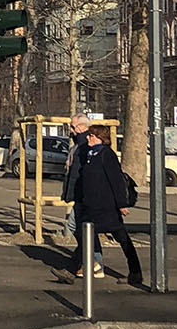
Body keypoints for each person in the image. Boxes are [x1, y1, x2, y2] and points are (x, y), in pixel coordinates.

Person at [53, 125, 144, 287]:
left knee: (121, 238)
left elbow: (116, 180)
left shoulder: (106, 155)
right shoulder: (90, 154)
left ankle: (135, 272)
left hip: (106, 206)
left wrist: (121, 204)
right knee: (86, 236)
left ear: (100, 138)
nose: (88, 138)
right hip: (92, 205)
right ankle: (71, 271)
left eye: (91, 136)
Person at [60, 115, 103, 274]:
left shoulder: (85, 146)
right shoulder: (78, 145)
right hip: (81, 194)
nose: (71, 130)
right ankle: (94, 264)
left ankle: (88, 262)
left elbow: (84, 173)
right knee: (87, 229)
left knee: (76, 227)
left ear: (82, 127)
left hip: (85, 195)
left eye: (73, 127)